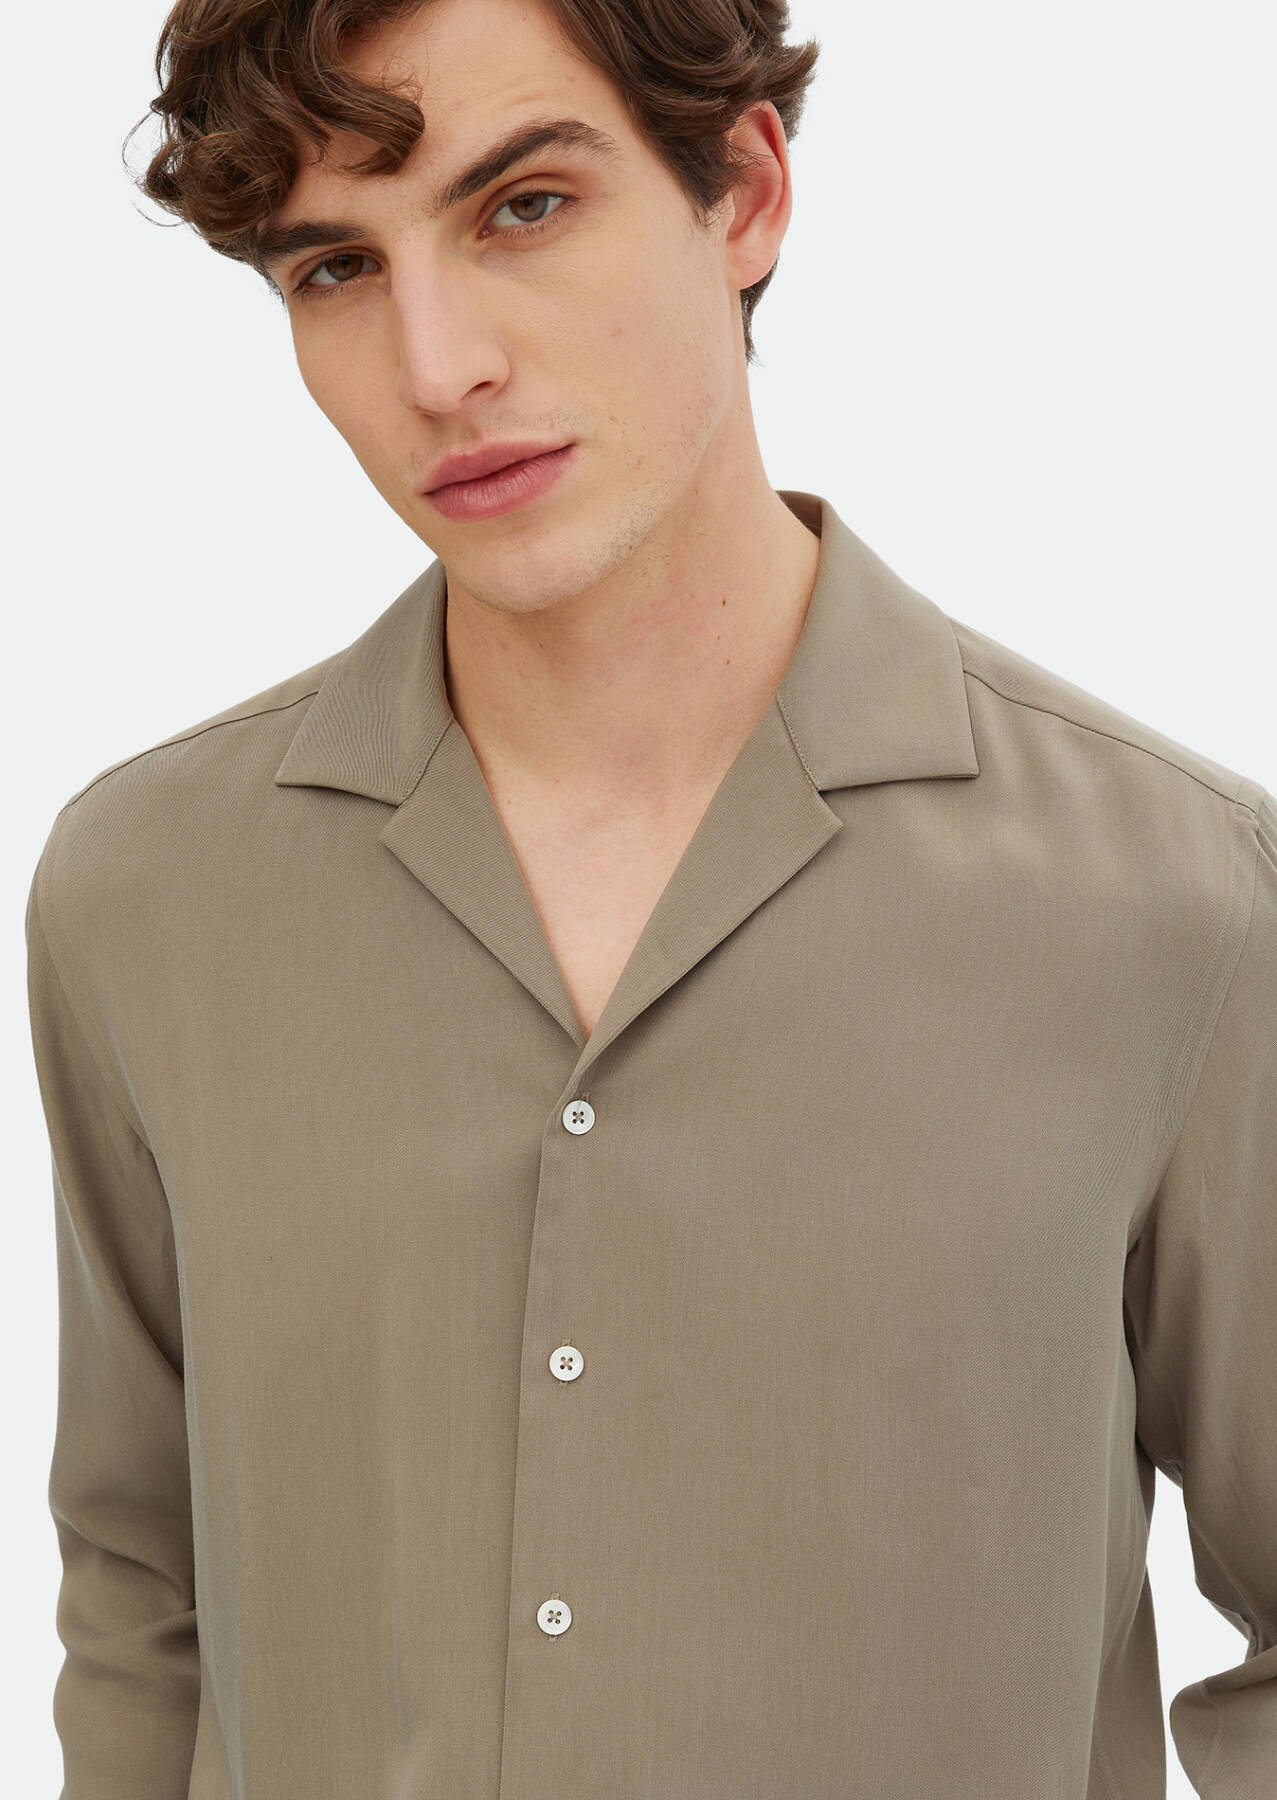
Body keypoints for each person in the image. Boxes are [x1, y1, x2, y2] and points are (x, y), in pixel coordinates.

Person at [23, 1, 1276, 1796]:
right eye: (333, 267)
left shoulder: (1181, 903)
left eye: (522, 207)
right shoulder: (145, 896)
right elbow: (140, 1595)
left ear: (742, 194)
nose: (437, 365)